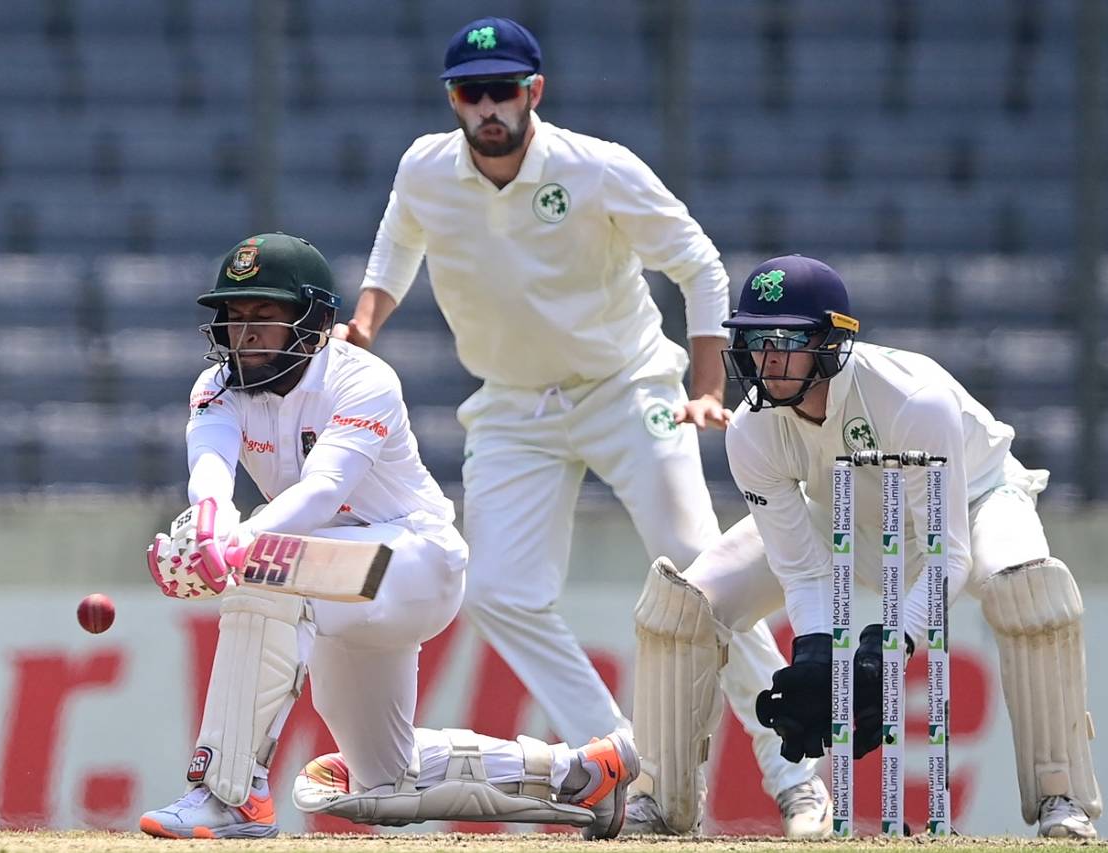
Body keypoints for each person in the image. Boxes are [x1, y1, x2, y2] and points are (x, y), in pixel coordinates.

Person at [335, 15, 828, 838]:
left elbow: (699, 263)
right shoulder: (426, 167)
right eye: (470, 92)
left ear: (535, 91)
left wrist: (708, 386)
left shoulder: (596, 169)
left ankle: (798, 778)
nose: (487, 108)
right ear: (452, 99)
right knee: (497, 591)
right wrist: (365, 321)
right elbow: (397, 242)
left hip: (627, 386)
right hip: (513, 403)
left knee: (701, 578)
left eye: (502, 90)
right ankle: (629, 768)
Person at [138, 232, 639, 840]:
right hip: (331, 581)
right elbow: (210, 471)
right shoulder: (216, 386)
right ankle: (585, 773)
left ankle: (228, 795)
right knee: (384, 776)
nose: (244, 337)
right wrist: (210, 527)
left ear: (315, 321)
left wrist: (237, 544)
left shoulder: (362, 380)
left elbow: (324, 488)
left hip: (413, 563)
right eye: (235, 319)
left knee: (262, 573)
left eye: (264, 318)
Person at [635, 254, 1101, 839]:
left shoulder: (913, 398)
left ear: (831, 343)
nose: (767, 360)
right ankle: (657, 803)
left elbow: (947, 556)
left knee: (1030, 591)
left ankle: (1063, 800)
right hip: (839, 510)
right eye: (755, 340)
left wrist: (891, 645)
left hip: (974, 502)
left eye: (786, 340)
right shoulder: (754, 429)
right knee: (684, 608)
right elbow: (802, 571)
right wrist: (812, 653)